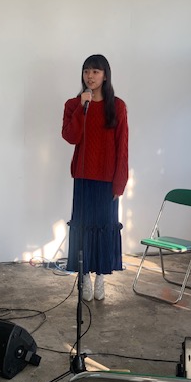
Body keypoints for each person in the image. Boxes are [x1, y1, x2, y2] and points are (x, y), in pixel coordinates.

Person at [62, 54, 129, 301]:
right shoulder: (73, 104)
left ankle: (101, 276)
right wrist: (81, 108)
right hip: (83, 178)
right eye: (86, 71)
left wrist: (120, 182)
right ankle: (85, 276)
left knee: (104, 228)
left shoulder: (117, 106)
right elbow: (71, 137)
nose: (90, 76)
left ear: (105, 75)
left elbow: (123, 146)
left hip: (107, 180)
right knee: (83, 229)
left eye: (95, 71)